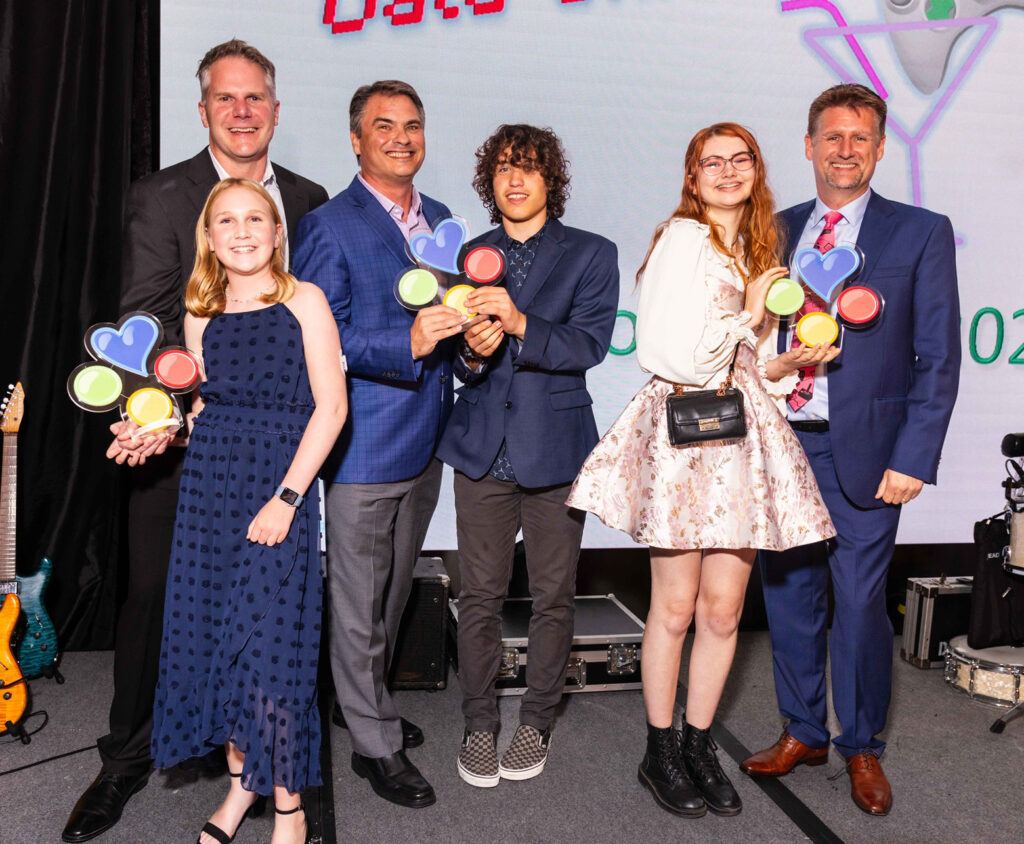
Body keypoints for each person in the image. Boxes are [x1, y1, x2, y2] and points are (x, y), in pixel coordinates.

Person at [61, 40, 328, 844]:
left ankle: (283, 790)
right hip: (197, 449)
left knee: (270, 630)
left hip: (282, 442)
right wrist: (163, 416)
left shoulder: (311, 198)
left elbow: (321, 332)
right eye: (225, 98)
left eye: (256, 99)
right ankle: (127, 757)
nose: (241, 111)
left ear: (275, 111)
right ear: (204, 108)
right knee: (159, 606)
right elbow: (149, 317)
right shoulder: (161, 194)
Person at [567, 123, 836, 818]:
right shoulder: (682, 240)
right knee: (677, 607)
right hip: (687, 436)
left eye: (739, 159)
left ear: (756, 169)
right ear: (692, 176)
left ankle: (697, 742)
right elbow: (672, 355)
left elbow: (751, 367)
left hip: (742, 437)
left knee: (723, 612)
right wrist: (749, 314)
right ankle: (658, 751)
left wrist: (787, 363)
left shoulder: (757, 245)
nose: (726, 171)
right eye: (710, 162)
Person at [740, 84, 960, 817]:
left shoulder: (920, 233)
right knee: (789, 598)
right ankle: (802, 731)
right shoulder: (772, 229)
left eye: (858, 138)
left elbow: (939, 358)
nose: (844, 150)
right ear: (808, 146)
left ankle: (862, 744)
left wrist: (915, 456)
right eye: (831, 137)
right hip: (782, 444)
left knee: (862, 605)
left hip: (868, 453)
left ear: (879, 147)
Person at [150, 177, 346, 844]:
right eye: (226, 220)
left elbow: (332, 408)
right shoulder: (198, 313)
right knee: (217, 649)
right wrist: (158, 429)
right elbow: (201, 410)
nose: (241, 230)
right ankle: (240, 790)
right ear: (208, 237)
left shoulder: (304, 301)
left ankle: (287, 810)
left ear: (276, 230)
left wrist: (288, 499)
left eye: (254, 218)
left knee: (273, 652)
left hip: (278, 487)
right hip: (209, 492)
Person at [292, 80, 461, 809]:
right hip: (364, 442)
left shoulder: (445, 218)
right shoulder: (328, 224)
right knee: (359, 601)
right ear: (356, 140)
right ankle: (374, 745)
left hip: (427, 441)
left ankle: (364, 706)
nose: (401, 136)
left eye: (412, 125)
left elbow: (448, 319)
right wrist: (408, 341)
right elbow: (319, 333)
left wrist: (473, 339)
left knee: (393, 592)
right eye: (383, 126)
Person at [436, 124, 619, 787]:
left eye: (531, 168)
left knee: (552, 599)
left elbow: (588, 346)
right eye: (505, 169)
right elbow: (455, 359)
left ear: (551, 180)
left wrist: (517, 324)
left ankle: (537, 721)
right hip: (482, 453)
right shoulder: (466, 256)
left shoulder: (593, 254)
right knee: (479, 598)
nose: (516, 179)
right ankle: (479, 725)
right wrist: (471, 355)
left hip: (556, 454)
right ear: (490, 181)